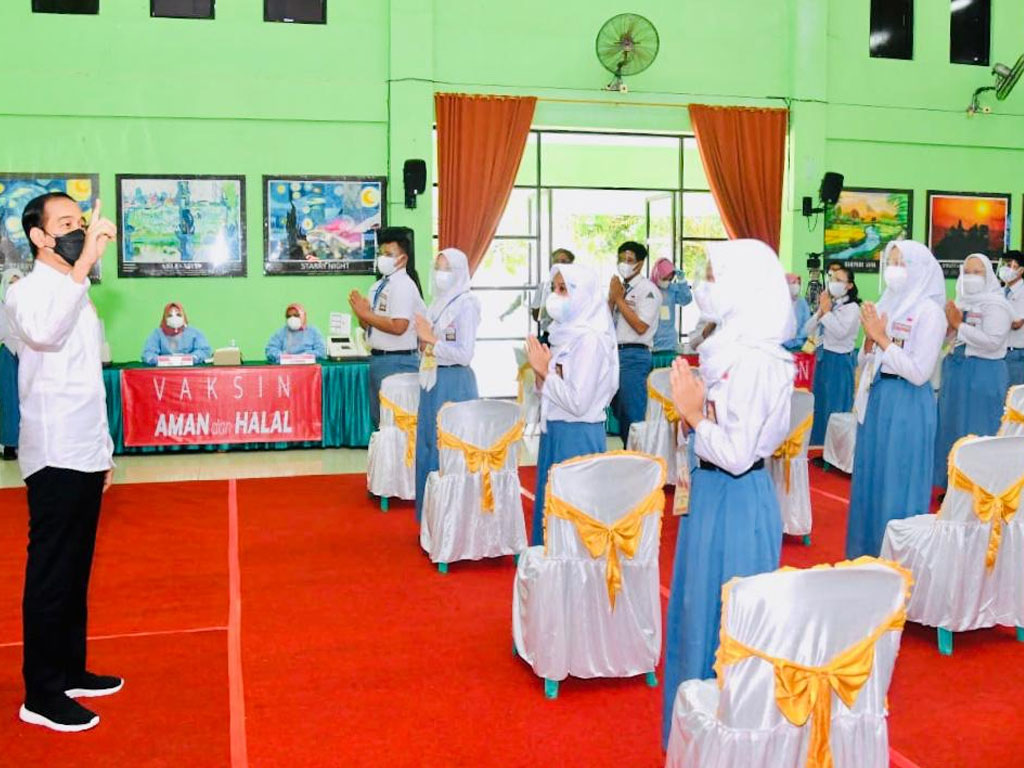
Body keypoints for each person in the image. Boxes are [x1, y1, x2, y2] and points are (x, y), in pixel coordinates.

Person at [661, 239, 794, 747]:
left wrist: (694, 414)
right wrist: (692, 417)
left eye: (714, 275)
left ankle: (728, 742)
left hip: (737, 497)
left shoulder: (758, 360)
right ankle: (695, 737)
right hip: (711, 493)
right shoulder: (726, 349)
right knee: (699, 610)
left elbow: (737, 453)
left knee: (731, 624)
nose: (704, 285)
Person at [6, 193, 121, 732]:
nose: (81, 229)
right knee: (52, 572)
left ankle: (70, 668)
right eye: (68, 223)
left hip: (83, 446)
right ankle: (42, 693)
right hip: (51, 452)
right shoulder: (25, 291)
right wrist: (83, 265)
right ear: (39, 237)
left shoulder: (80, 292)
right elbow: (44, 335)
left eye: (83, 221)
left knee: (76, 568)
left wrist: (104, 452)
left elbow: (88, 377)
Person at [846, 241, 946, 558]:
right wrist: (870, 344)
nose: (894, 268)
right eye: (890, 261)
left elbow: (919, 372)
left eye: (901, 262)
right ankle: (866, 552)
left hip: (908, 402)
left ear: (919, 268)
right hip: (880, 397)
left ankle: (898, 562)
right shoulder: (889, 302)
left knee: (897, 480)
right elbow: (868, 361)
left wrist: (881, 338)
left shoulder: (930, 313)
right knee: (872, 477)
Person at [525, 263, 618, 545]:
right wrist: (543, 379)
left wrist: (544, 372)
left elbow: (578, 402)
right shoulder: (564, 333)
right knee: (551, 510)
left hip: (577, 434)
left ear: (582, 294)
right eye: (554, 288)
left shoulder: (589, 339)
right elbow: (555, 389)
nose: (555, 295)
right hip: (556, 429)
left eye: (563, 289)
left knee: (572, 517)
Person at [933, 254, 1012, 487]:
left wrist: (959, 325)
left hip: (983, 374)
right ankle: (952, 484)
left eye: (977, 272)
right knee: (953, 428)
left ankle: (979, 487)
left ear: (988, 275)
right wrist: (949, 328)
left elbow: (992, 341)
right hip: (957, 372)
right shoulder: (961, 302)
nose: (971, 277)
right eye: (967, 272)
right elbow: (950, 340)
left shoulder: (997, 305)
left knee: (979, 429)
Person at [413, 248, 480, 520]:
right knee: (429, 443)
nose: (441, 275)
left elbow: (464, 353)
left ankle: (454, 519)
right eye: (438, 268)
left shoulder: (467, 303)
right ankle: (432, 517)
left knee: (451, 449)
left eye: (447, 269)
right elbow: (427, 343)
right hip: (432, 377)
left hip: (454, 381)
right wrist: (425, 343)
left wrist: (431, 341)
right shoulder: (437, 303)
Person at [348, 227, 425, 428]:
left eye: (389, 255)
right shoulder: (378, 286)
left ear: (403, 259)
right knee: (381, 420)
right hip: (378, 359)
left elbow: (399, 326)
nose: (383, 258)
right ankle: (385, 459)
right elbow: (369, 325)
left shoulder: (404, 285)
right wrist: (361, 314)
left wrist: (366, 314)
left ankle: (401, 460)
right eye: (381, 254)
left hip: (399, 361)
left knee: (398, 422)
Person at [804, 266, 861, 445]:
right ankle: (817, 447)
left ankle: (834, 451)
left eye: (838, 279)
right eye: (831, 278)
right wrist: (821, 312)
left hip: (839, 361)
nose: (833, 283)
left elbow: (840, 332)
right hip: (823, 359)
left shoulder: (852, 308)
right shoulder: (831, 306)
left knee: (835, 408)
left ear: (849, 285)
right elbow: (807, 330)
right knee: (819, 406)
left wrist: (826, 312)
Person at [608, 241, 659, 444]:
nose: (624, 264)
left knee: (633, 413)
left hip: (635, 355)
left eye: (629, 260)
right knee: (619, 411)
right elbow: (606, 319)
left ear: (640, 263)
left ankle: (640, 460)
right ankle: (628, 455)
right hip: (615, 354)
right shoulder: (620, 288)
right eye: (621, 259)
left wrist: (619, 300)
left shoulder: (649, 290)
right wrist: (613, 299)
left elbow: (640, 327)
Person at [1, 267, 25, 460]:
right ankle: (10, 444)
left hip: (29, 355)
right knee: (10, 400)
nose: (14, 287)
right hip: (7, 355)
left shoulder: (30, 306)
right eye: (10, 283)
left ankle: (28, 442)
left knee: (29, 400)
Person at [529, 248, 575, 346]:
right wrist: (548, 309)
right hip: (548, 337)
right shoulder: (544, 287)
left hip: (571, 337)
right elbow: (536, 316)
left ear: (571, 265)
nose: (559, 265)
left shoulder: (578, 287)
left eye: (564, 262)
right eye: (556, 262)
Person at [141, 302, 212, 366]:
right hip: (164, 372)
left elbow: (204, 350)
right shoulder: (157, 334)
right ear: (165, 318)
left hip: (189, 371)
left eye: (178, 315)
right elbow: (148, 353)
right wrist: (156, 360)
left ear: (184, 317)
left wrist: (193, 358)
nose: (174, 318)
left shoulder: (194, 333)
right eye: (170, 315)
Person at [650, 257, 693, 355]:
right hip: (651, 343)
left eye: (670, 279)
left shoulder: (672, 289)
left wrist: (682, 282)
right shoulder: (648, 289)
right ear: (657, 274)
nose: (667, 282)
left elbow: (686, 300)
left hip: (669, 343)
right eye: (664, 278)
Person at [1001, 251, 1024, 385]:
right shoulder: (1000, 291)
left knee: (1013, 399)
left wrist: (994, 321)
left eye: (1009, 265)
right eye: (1003, 265)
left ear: (1021, 270)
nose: (1005, 269)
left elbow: (1017, 323)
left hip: (1016, 353)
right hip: (1000, 352)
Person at [782, 272, 811, 351]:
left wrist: (798, 339)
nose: (796, 286)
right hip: (780, 345)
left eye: (798, 283)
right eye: (793, 283)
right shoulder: (779, 303)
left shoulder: (802, 303)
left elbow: (807, 324)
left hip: (799, 345)